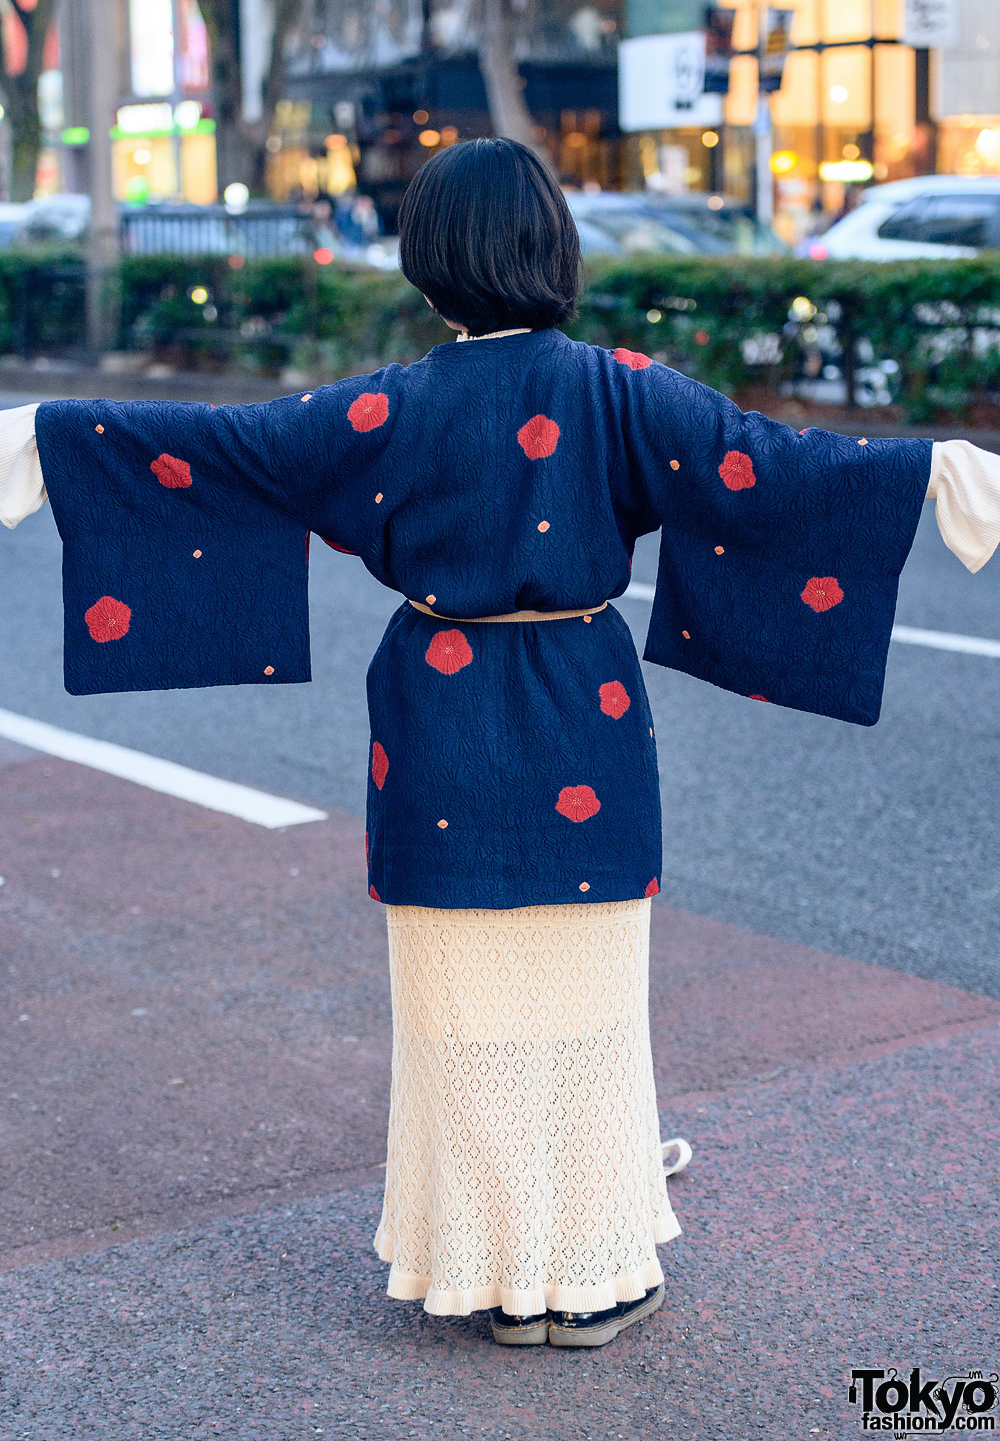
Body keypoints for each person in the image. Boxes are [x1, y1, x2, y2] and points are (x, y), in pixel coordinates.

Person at [2, 138, 998, 1349]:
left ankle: (479, 1271)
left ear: (428, 266)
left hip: (435, 714)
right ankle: (592, 1270)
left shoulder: (392, 404)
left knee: (456, 1012)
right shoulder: (620, 386)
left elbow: (229, 452)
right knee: (586, 1005)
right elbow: (773, 470)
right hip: (586, 706)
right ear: (553, 246)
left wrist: (47, 437)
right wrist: (938, 472)